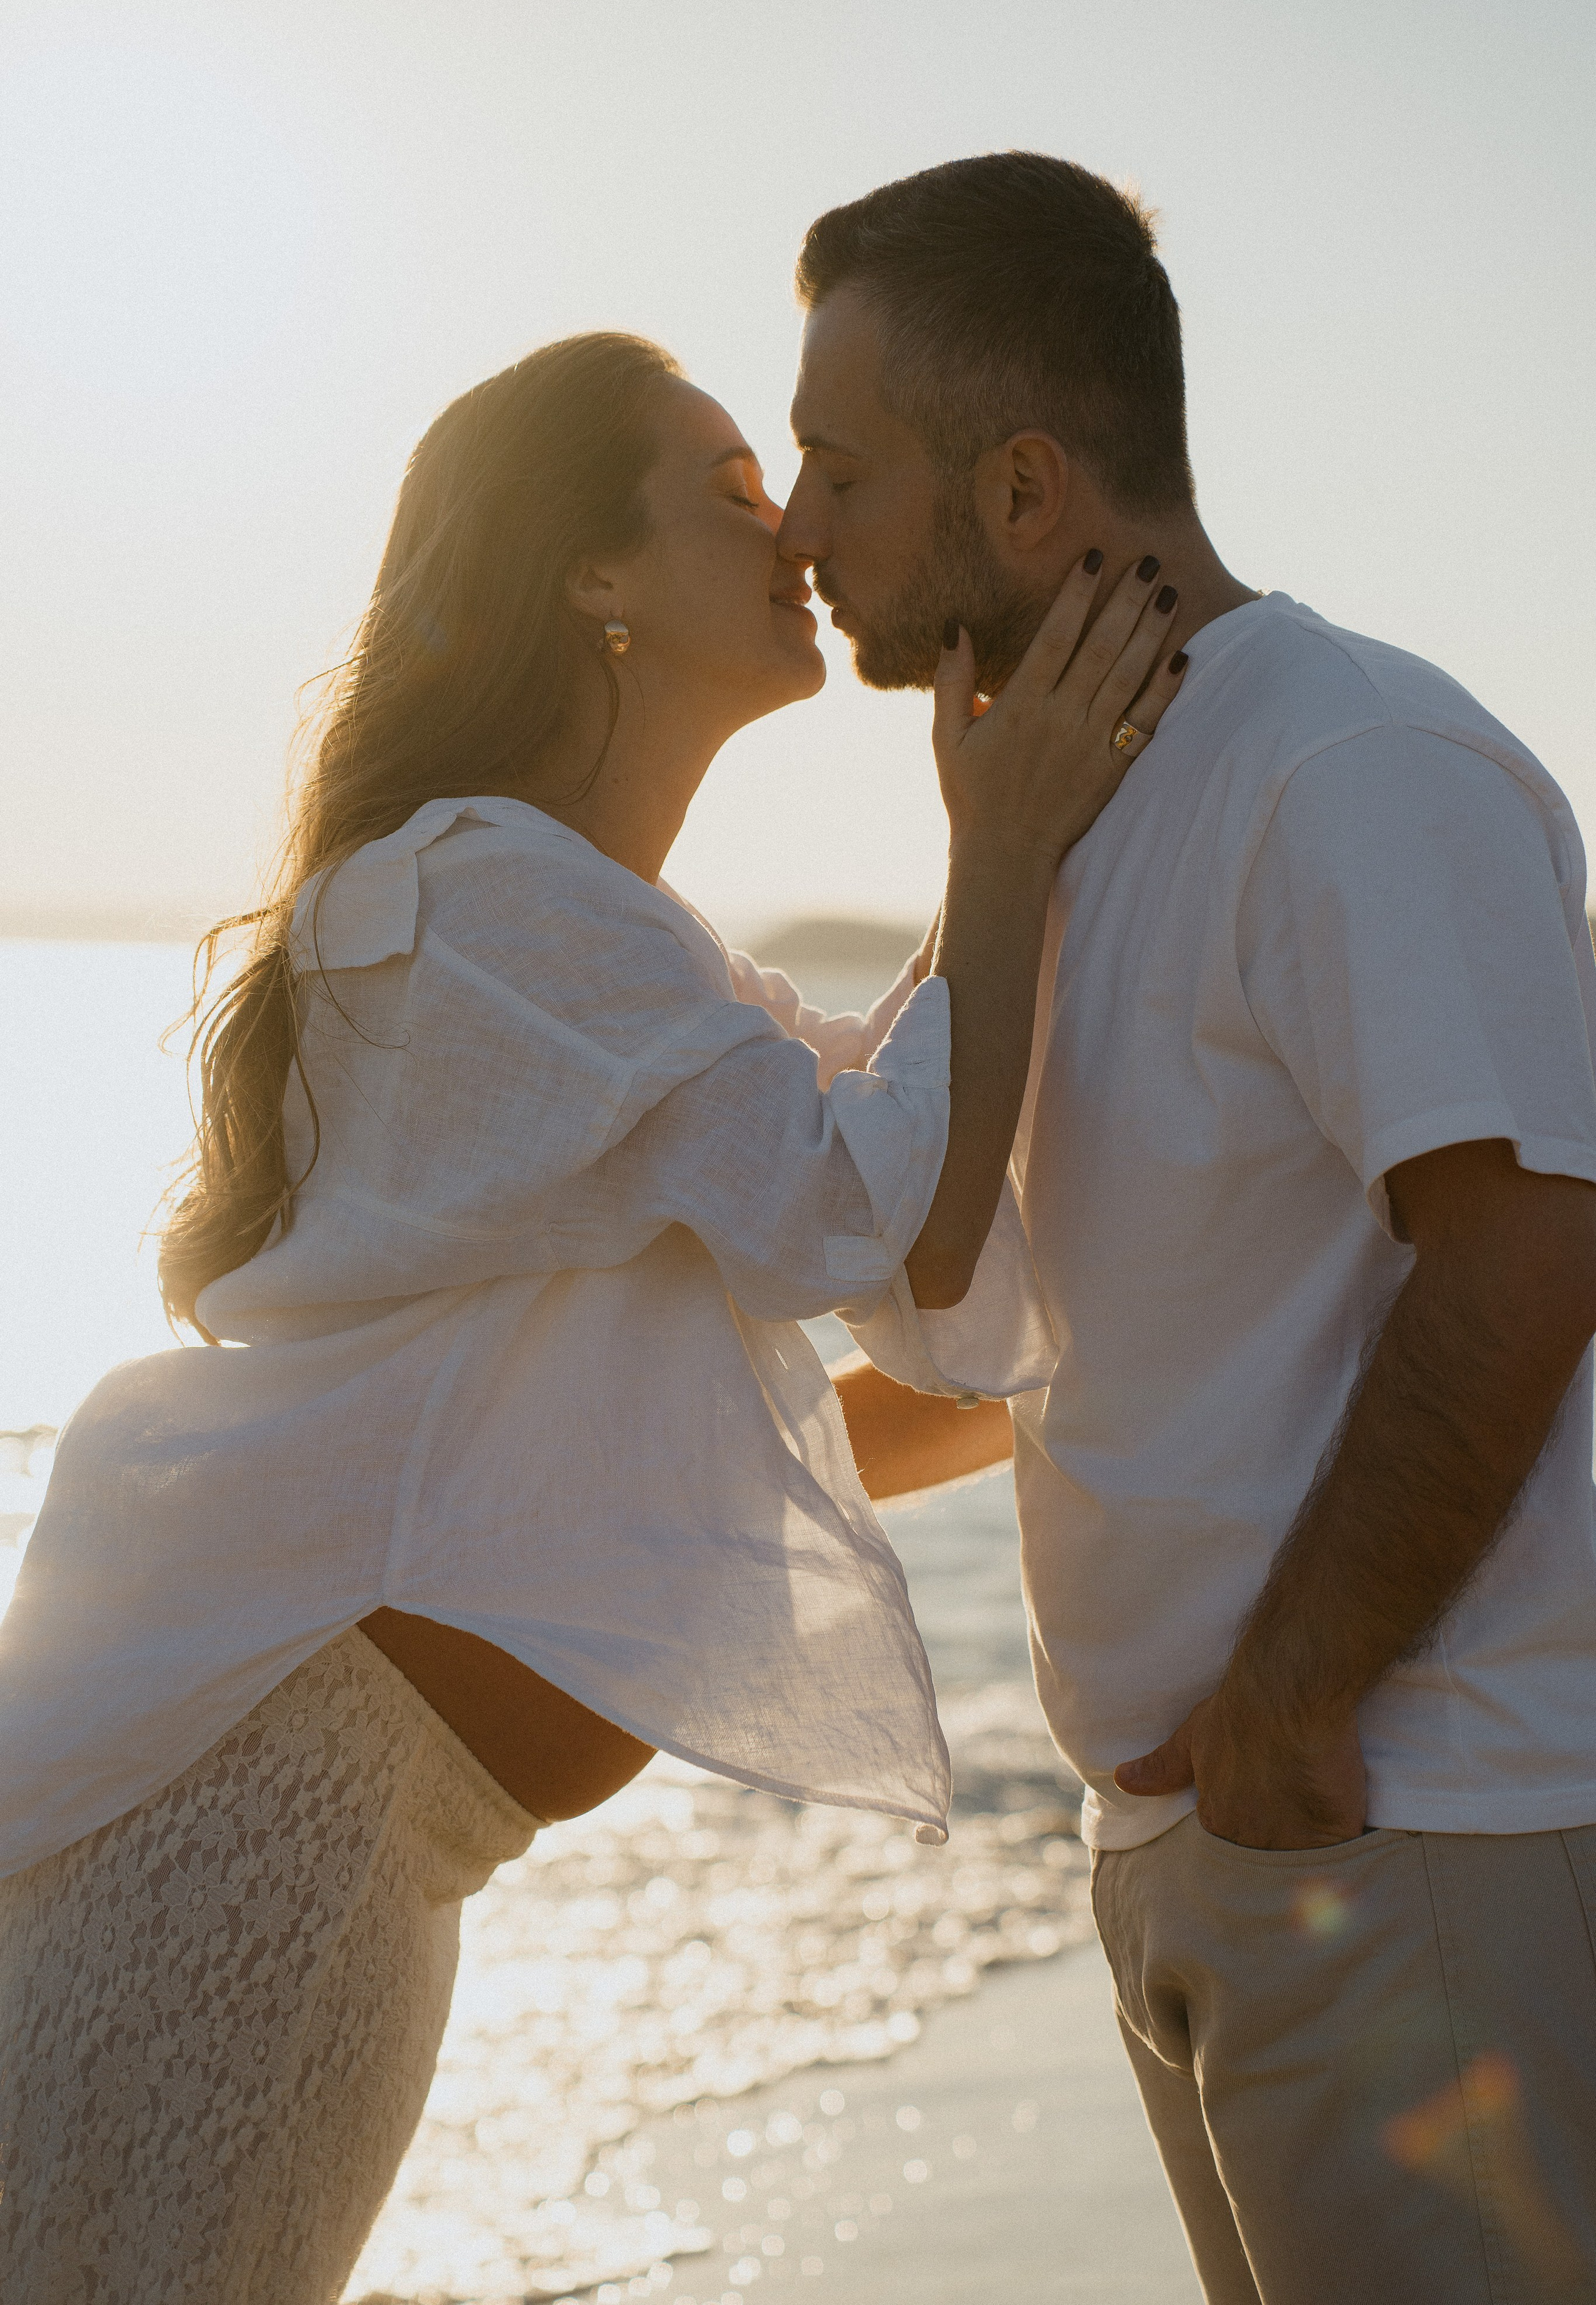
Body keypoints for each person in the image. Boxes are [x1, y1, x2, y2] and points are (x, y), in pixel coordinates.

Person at [0, 328, 1184, 2303]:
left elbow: (918, 1290)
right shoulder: (478, 901)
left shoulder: (611, 958)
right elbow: (886, 1220)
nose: (795, 522)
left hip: (345, 1854)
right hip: (244, 1846)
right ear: (590, 573)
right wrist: (1004, 847)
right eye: (732, 487)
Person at [779, 153, 1596, 2303]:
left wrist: (1290, 1718)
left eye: (836, 465)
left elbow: (1525, 1252)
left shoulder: (1350, 767)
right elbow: (991, 1326)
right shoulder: (1055, 812)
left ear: (1028, 491)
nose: (797, 527)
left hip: (1403, 1829)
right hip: (1204, 1857)